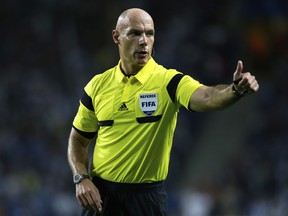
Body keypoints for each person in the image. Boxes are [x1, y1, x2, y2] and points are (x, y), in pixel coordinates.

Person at [67, 8, 259, 216]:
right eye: (135, 33)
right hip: (101, 198)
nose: (144, 41)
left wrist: (234, 90)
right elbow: (78, 140)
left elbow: (208, 96)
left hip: (146, 201)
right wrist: (81, 178)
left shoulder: (169, 82)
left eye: (149, 34)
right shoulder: (97, 86)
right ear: (117, 37)